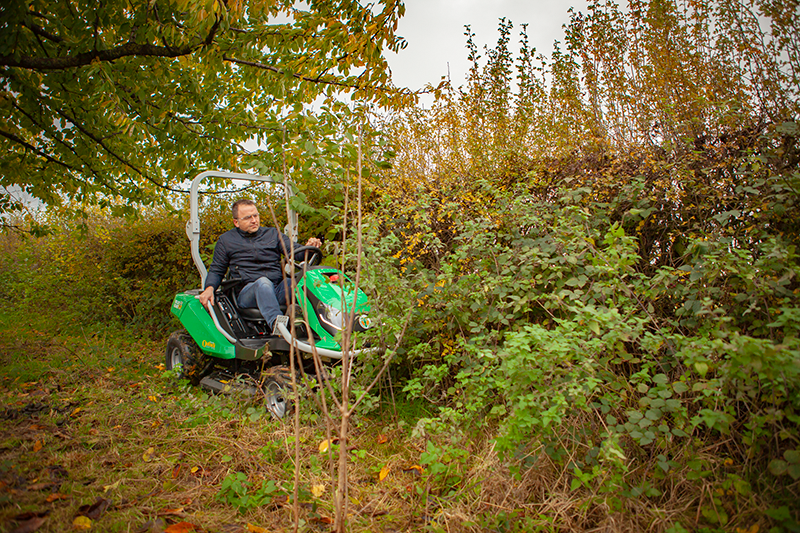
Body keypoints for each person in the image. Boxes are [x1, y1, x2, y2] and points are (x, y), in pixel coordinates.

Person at [198, 199, 322, 333]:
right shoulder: (226, 240)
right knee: (263, 283)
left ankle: (322, 325)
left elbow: (295, 252)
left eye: (255, 216)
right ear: (236, 222)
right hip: (248, 294)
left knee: (298, 282)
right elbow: (217, 270)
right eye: (248, 218)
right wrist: (209, 288)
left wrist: (309, 248)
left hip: (276, 289)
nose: (254, 220)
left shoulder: (272, 234)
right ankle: (279, 327)